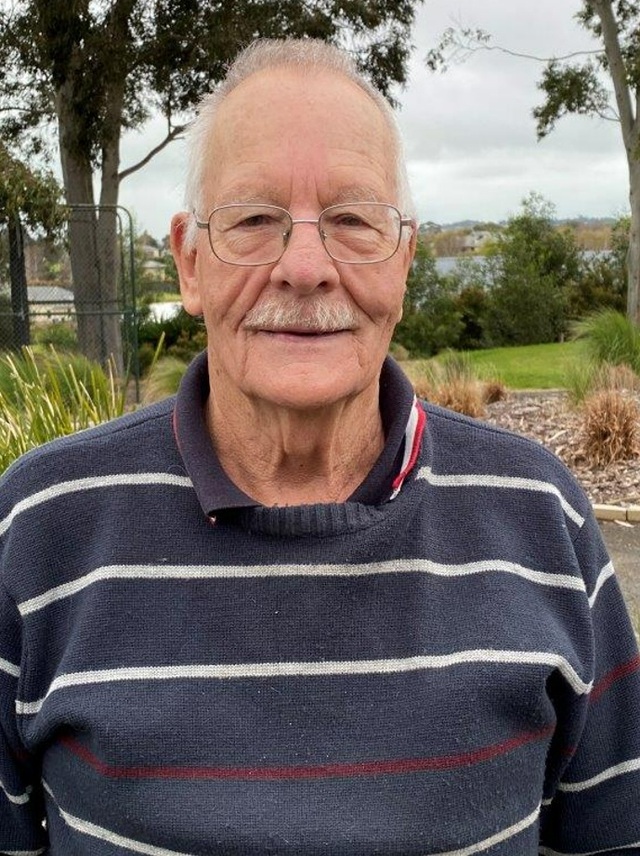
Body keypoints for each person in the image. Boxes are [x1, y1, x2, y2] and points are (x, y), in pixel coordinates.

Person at [1, 38, 639, 856]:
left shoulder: (542, 520)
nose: (305, 267)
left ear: (403, 260)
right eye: (254, 220)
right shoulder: (41, 529)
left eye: (352, 220)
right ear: (190, 263)